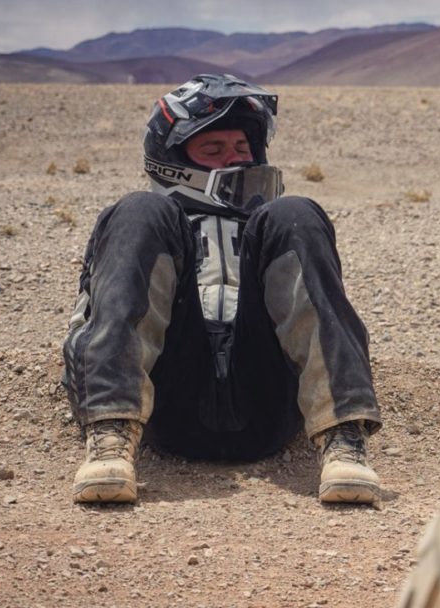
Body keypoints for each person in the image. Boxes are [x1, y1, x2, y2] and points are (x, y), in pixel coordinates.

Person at [61, 74, 382, 505]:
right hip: (170, 406)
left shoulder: (272, 228)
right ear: (173, 160)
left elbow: (323, 310)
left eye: (242, 149)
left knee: (296, 211)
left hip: (268, 406)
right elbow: (92, 324)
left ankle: (344, 441)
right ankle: (110, 436)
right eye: (212, 150)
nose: (234, 161)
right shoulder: (141, 227)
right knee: (140, 207)